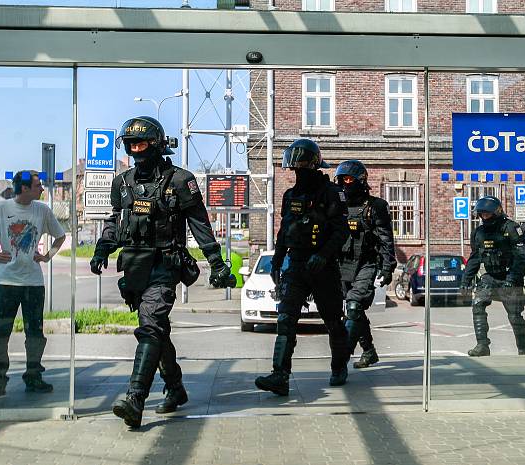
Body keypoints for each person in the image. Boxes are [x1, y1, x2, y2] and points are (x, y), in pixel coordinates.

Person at [90, 116, 236, 428]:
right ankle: (175, 387)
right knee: (157, 330)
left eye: (141, 143)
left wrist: (218, 263)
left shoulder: (180, 181)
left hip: (166, 263)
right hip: (133, 267)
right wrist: (103, 247)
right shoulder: (122, 183)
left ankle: (135, 397)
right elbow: (115, 220)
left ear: (156, 145)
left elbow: (200, 223)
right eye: (131, 144)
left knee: (151, 325)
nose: (135, 149)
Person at [254, 139, 351, 395]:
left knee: (332, 319)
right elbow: (284, 232)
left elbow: (342, 232)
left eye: (302, 165)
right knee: (285, 320)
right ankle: (280, 375)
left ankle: (339, 365)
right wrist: (276, 262)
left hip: (323, 267)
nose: (298, 171)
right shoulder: (290, 196)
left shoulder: (332, 193)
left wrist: (323, 255)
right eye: (294, 166)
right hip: (296, 265)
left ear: (314, 165)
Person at [0, 170, 66, 397]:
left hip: (33, 282)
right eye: (37, 185)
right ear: (24, 188)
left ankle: (33, 376)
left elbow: (59, 236)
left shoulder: (42, 210)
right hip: (6, 282)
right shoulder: (1, 208)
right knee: (2, 331)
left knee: (35, 332)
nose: (42, 189)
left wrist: (47, 256)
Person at [334, 160, 396, 369]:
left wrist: (388, 268)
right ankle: (369, 351)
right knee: (354, 312)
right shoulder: (337, 205)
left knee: (354, 306)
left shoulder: (375, 207)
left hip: (366, 264)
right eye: (341, 179)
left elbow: (386, 240)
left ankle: (341, 361)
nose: (345, 183)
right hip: (342, 265)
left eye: (349, 179)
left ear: (360, 181)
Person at [459, 196, 525, 356]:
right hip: (490, 276)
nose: (484, 217)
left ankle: (523, 348)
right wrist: (465, 280)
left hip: (509, 276)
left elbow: (521, 257)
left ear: (496, 212)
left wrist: (512, 279)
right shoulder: (478, 233)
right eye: (482, 214)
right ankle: (482, 345)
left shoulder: (511, 228)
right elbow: (475, 258)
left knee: (514, 315)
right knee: (477, 304)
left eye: (487, 214)